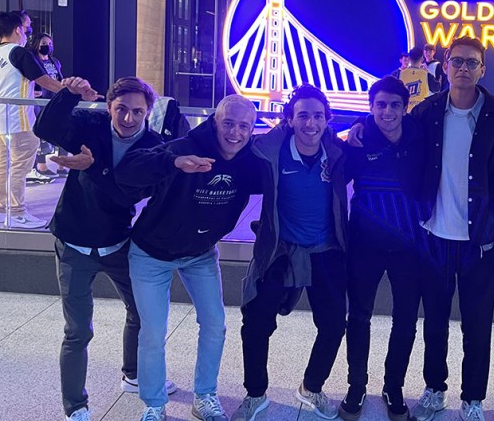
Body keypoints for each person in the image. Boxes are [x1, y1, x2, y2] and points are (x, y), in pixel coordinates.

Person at [350, 36, 494, 421]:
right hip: (434, 235)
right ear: (443, 67)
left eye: (471, 62)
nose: (463, 68)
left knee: (476, 325)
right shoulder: (427, 112)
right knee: (436, 322)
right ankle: (434, 388)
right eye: (456, 61)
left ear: (482, 69)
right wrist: (360, 124)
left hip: (480, 240)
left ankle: (473, 397)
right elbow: (387, 119)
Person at [33, 76, 173, 421]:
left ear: (148, 112)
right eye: (121, 109)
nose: (128, 118)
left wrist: (93, 167)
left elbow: (126, 193)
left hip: (118, 243)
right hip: (73, 243)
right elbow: (46, 127)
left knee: (140, 312)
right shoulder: (91, 125)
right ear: (109, 106)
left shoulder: (154, 147)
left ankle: (134, 374)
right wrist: (67, 95)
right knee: (77, 330)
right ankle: (75, 407)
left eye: (137, 111)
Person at [117, 94, 263, 421]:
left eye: (244, 126)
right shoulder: (184, 148)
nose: (235, 133)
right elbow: (128, 170)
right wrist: (172, 163)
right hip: (151, 253)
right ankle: (154, 404)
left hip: (199, 254)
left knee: (215, 324)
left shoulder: (249, 161)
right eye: (228, 123)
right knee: (153, 332)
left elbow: (289, 151)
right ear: (214, 121)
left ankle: (205, 396)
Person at [233, 84, 349, 421]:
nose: (310, 123)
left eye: (317, 116)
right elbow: (225, 145)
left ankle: (311, 386)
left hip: (326, 251)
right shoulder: (269, 151)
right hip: (280, 251)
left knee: (332, 325)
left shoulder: (339, 154)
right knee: (255, 322)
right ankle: (256, 394)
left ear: (327, 119)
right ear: (290, 119)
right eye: (302, 116)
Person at [337, 76, 426, 421]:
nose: (387, 112)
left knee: (405, 320)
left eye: (394, 105)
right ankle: (356, 386)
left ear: (405, 108)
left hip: (409, 246)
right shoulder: (356, 143)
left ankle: (394, 386)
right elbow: (331, 178)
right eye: (379, 105)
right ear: (370, 108)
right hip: (365, 245)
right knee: (358, 317)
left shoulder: (420, 138)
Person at [0, 11, 63, 229]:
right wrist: (73, 91)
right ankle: (16, 212)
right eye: (26, 29)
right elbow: (46, 82)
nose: (27, 33)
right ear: (17, 30)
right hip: (19, 120)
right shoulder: (19, 53)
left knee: (2, 165)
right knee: (19, 167)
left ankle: (0, 210)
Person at [27, 32, 66, 181]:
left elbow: (59, 78)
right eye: (44, 43)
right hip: (40, 101)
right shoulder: (32, 61)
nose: (47, 46)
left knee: (62, 129)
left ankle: (62, 164)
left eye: (49, 44)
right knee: (42, 132)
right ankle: (42, 166)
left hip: (55, 99)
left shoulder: (54, 61)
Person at [397, 46, 439, 112]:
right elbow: (437, 88)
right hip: (421, 112)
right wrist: (427, 71)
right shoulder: (426, 74)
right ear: (422, 59)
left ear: (409, 59)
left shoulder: (400, 74)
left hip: (404, 112)